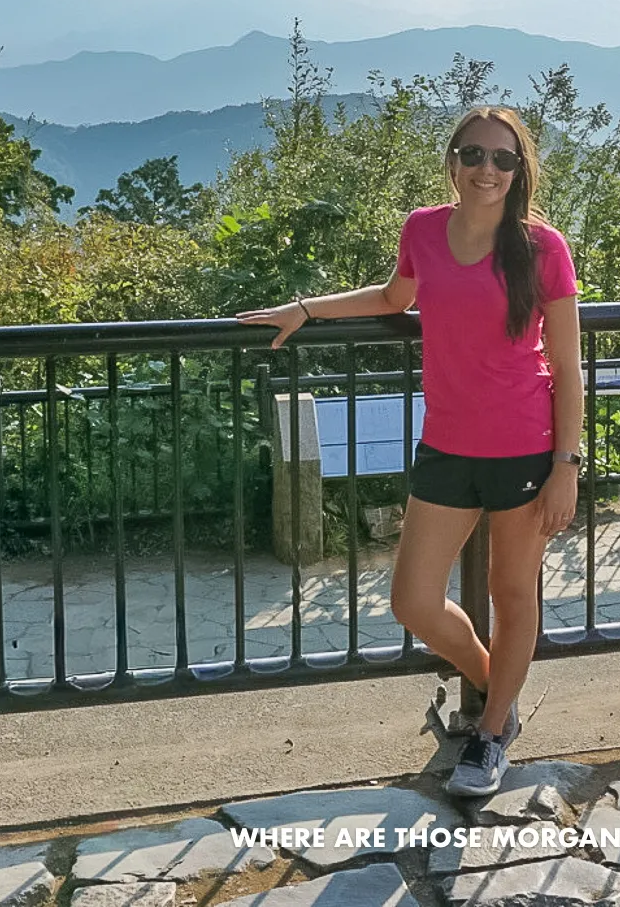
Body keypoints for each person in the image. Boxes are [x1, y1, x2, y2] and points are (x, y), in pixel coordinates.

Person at [237, 106, 583, 796]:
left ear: (520, 171)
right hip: (447, 444)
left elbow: (569, 368)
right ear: (453, 161)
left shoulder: (544, 248)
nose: (488, 169)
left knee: (513, 594)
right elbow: (396, 295)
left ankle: (488, 737)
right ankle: (499, 694)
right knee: (413, 601)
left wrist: (566, 467)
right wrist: (306, 309)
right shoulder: (424, 229)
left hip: (526, 446)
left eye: (503, 158)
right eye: (475, 154)